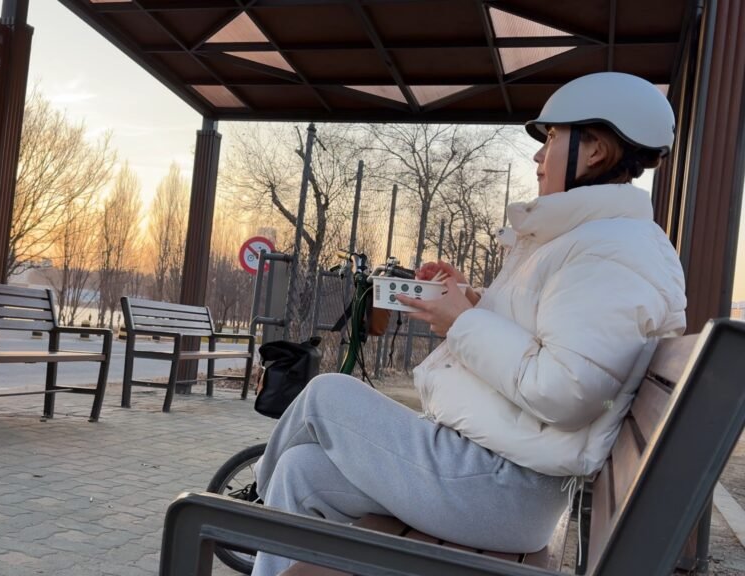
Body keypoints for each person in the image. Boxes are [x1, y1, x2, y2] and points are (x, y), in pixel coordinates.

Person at [250, 72, 688, 576]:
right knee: (303, 472)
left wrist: (463, 322)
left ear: (593, 150)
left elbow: (567, 388)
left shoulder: (613, 251)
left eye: (551, 138)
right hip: (496, 477)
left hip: (504, 488)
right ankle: (258, 526)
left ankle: (239, 514)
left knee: (327, 396)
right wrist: (474, 303)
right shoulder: (597, 242)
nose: (538, 157)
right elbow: (559, 347)